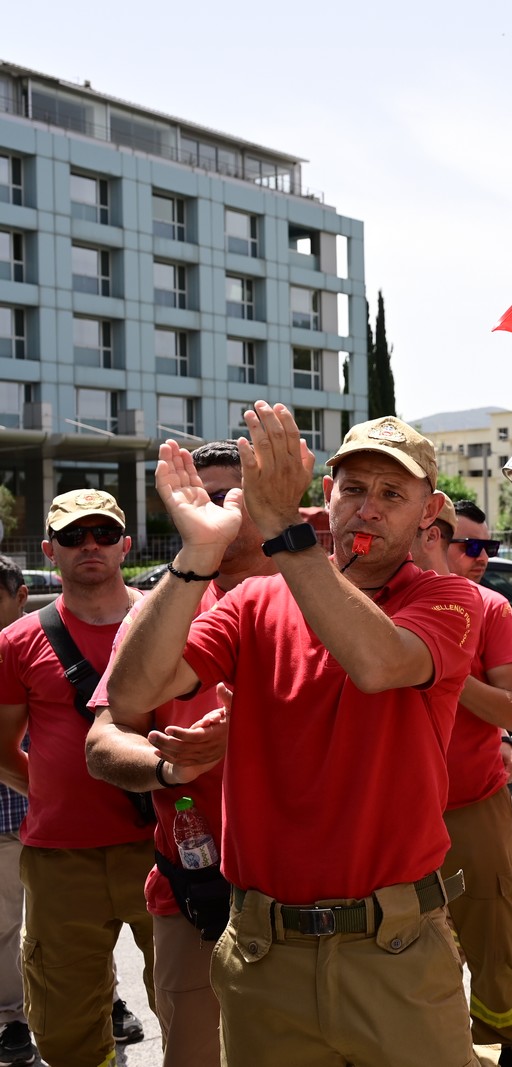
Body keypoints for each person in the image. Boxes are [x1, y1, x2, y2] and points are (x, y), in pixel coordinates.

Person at [101, 408, 483, 1067]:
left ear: (431, 510)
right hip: (263, 953)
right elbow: (133, 691)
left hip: (392, 951)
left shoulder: (448, 598)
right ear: (327, 497)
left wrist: (281, 531)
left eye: (393, 493)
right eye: (355, 487)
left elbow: (378, 661)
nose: (369, 508)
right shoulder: (254, 602)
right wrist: (196, 553)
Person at [83, 442, 274, 1067]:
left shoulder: (326, 597)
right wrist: (172, 768)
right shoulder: (162, 614)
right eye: (199, 497)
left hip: (318, 892)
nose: (213, 510)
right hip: (195, 894)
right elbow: (104, 742)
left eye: (228, 497)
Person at [0, 490, 156, 1067]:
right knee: (66, 1030)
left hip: (161, 848)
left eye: (102, 534)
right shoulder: (17, 642)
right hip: (61, 859)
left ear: (125, 546)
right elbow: (1, 749)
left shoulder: (166, 619)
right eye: (72, 537)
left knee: (193, 1006)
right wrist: (50, 795)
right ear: (50, 550)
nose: (89, 546)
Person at [414, 499, 512, 1066]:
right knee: (411, 954)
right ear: (432, 538)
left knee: (494, 945)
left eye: (488, 547)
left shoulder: (490, 608)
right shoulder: (379, 608)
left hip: (473, 807)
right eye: (471, 546)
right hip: (398, 816)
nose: (484, 558)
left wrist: (443, 667)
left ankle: (510, 1048)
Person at [0, 559, 33, 1067]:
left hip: (45, 815)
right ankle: (12, 1019)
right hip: (6, 821)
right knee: (5, 926)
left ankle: (107, 1000)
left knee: (72, 923)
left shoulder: (35, 647)